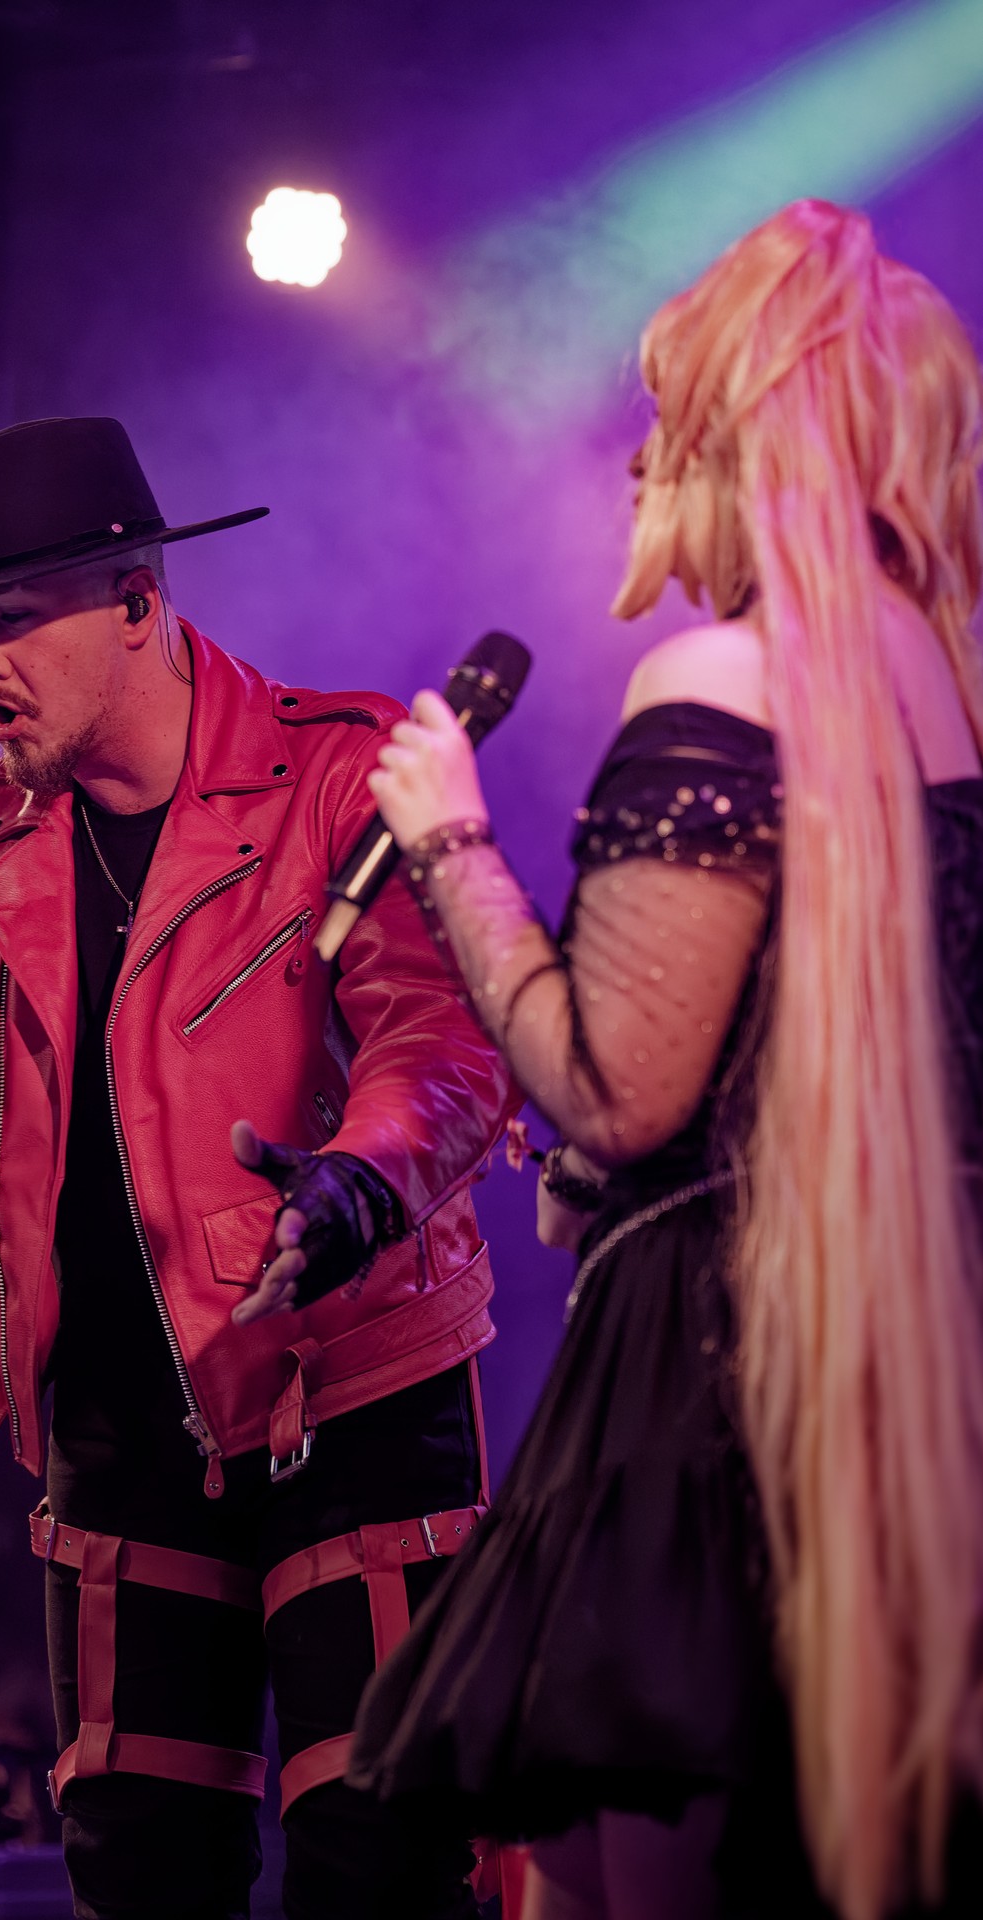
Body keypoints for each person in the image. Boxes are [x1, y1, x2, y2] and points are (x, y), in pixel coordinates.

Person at [0, 415, 513, 1920]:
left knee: (382, 1861)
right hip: (112, 1428)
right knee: (140, 1874)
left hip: (343, 1393)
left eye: (12, 618)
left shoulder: (331, 771)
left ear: (134, 601)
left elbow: (441, 1035)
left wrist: (362, 1182)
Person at [346, 201, 983, 1920]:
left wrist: (448, 844)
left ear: (731, 439)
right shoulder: (947, 694)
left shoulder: (719, 675)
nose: (633, 464)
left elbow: (619, 1087)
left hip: (715, 1365)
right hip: (902, 1353)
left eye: (662, 421)